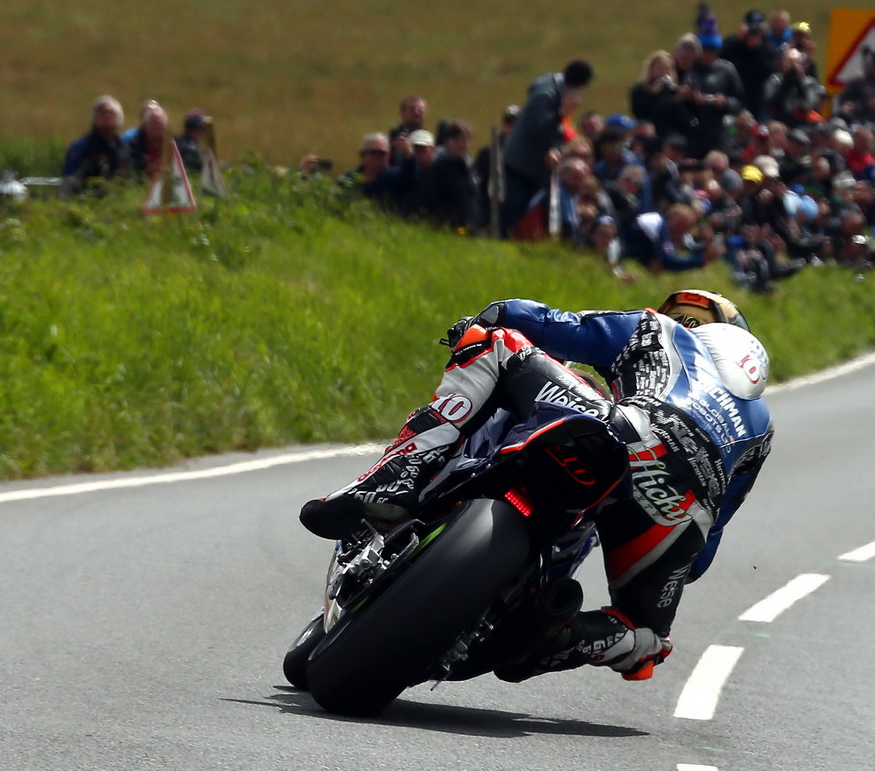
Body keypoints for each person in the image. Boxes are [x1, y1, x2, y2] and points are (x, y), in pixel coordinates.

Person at [300, 289, 772, 682]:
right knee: (649, 638)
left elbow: (539, 320)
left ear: (706, 335)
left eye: (692, 321)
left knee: (493, 343)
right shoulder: (761, 429)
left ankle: (394, 482)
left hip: (623, 428)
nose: (684, 324)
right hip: (682, 508)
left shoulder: (655, 328)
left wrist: (484, 319)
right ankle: (555, 635)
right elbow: (702, 553)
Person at [502, 60, 594, 232]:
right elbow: (535, 129)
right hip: (520, 163)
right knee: (512, 209)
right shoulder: (545, 94)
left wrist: (552, 148)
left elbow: (552, 132)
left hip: (533, 164)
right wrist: (562, 113)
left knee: (522, 209)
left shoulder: (555, 88)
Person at [62, 95, 129, 188]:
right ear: (94, 119)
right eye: (102, 113)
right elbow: (70, 180)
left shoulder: (123, 147)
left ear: (119, 118)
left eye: (111, 113)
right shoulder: (81, 147)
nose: (107, 115)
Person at [122, 100, 173, 178]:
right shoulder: (130, 143)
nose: (157, 126)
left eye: (160, 123)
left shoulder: (174, 143)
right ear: (145, 124)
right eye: (153, 123)